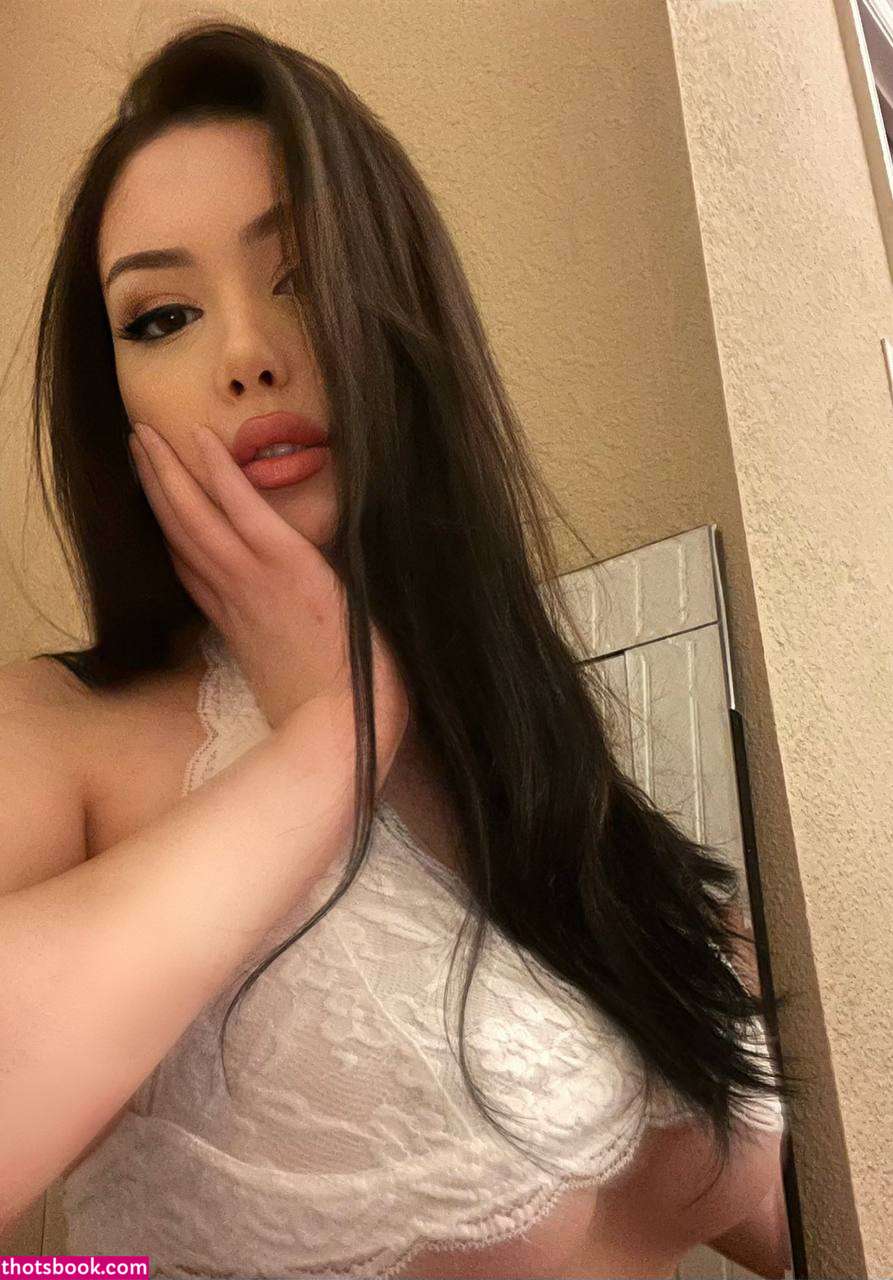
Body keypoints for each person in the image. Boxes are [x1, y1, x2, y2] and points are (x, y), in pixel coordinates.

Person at [0, 18, 805, 1277]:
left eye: (303, 274)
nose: (245, 354)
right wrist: (330, 736)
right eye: (161, 317)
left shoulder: (544, 754)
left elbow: (807, 1219)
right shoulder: (60, 738)